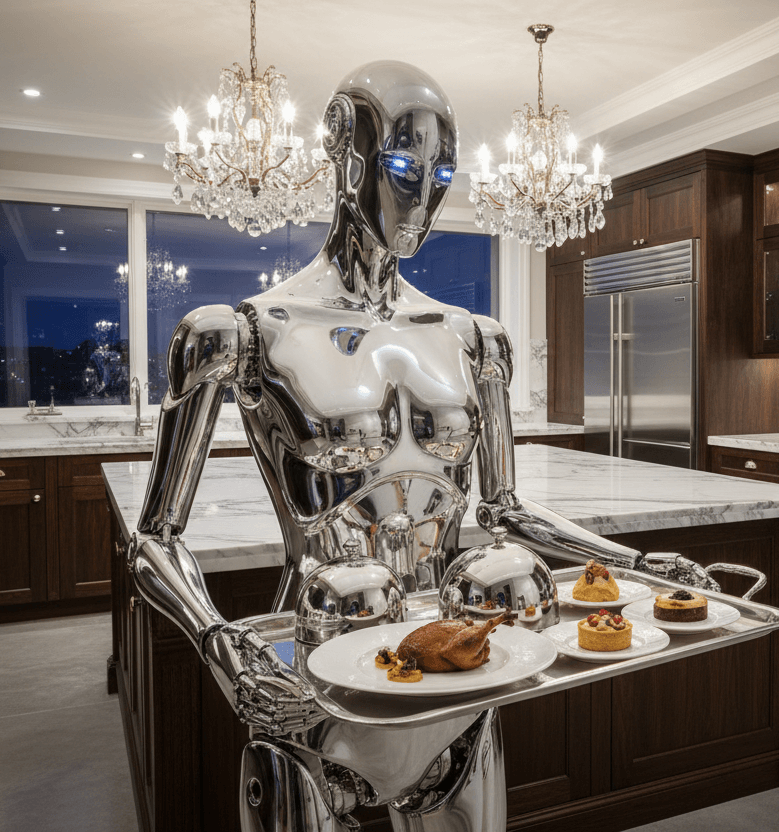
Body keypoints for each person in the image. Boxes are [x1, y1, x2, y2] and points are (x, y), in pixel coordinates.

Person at [129, 59, 713, 832]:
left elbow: (504, 509)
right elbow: (152, 541)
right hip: (315, 678)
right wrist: (221, 645)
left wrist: (639, 565)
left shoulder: (475, 338)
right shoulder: (240, 333)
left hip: (463, 667)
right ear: (344, 157)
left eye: (443, 171)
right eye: (402, 165)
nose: (424, 196)